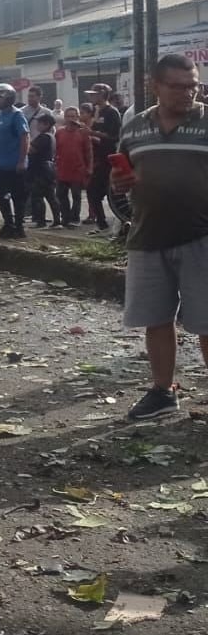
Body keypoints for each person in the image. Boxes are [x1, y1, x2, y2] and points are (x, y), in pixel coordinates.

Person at [110, 54, 208, 420]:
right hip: (148, 236)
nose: (188, 93)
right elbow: (121, 177)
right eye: (178, 86)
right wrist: (119, 182)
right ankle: (163, 391)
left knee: (207, 322)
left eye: (193, 85)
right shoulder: (134, 127)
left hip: (202, 236)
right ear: (156, 86)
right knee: (157, 318)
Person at [0, 83, 30, 238]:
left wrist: (21, 160)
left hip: (15, 164)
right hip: (1, 164)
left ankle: (19, 227)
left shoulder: (16, 115)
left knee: (18, 197)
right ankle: (8, 223)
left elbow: (25, 137)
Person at [85, 83, 121, 233]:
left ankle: (121, 223)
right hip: (98, 158)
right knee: (93, 192)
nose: (91, 97)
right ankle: (102, 224)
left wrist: (93, 134)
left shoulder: (112, 112)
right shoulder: (97, 112)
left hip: (109, 158)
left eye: (94, 94)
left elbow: (114, 137)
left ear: (102, 94)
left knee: (115, 194)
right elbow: (96, 136)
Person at [54, 106, 92, 228]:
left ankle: (74, 218)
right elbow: (56, 150)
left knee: (76, 196)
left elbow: (88, 152)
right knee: (61, 194)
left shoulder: (83, 132)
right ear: (64, 118)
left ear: (77, 117)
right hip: (62, 169)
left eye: (73, 116)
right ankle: (65, 217)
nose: (71, 119)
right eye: (68, 116)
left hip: (78, 169)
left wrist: (89, 168)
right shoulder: (59, 132)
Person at [26, 112, 62, 228]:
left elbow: (31, 150)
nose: (37, 125)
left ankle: (40, 221)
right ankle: (57, 220)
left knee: (38, 196)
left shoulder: (44, 137)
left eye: (40, 123)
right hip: (49, 169)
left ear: (46, 124)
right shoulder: (51, 137)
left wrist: (24, 144)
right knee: (50, 195)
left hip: (41, 169)